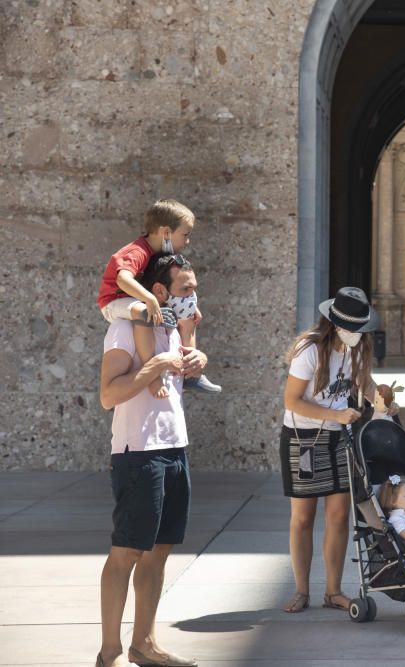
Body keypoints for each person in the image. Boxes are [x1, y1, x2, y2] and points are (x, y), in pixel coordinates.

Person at [97, 254, 207, 667]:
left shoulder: (172, 328)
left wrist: (196, 359)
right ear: (158, 291)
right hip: (137, 454)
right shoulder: (125, 328)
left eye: (194, 288)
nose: (192, 297)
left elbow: (179, 377)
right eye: (184, 289)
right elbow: (108, 395)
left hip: (174, 448)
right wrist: (154, 367)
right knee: (125, 551)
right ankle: (109, 652)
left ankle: (144, 644)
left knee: (159, 551)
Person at [280, 287, 379, 613]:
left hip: (340, 438)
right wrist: (334, 414)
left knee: (339, 516)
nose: (355, 334)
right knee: (303, 518)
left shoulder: (359, 348)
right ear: (334, 323)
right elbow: (292, 400)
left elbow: (366, 384)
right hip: (303, 438)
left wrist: (383, 401)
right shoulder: (308, 349)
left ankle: (333, 591)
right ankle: (301, 589)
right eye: (350, 328)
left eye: (359, 328)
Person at [96, 199, 220, 397]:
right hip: (113, 302)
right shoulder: (137, 251)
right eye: (185, 235)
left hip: (132, 300)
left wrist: (189, 305)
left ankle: (190, 374)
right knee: (144, 312)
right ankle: (152, 375)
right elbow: (122, 279)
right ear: (166, 233)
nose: (187, 241)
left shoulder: (155, 253)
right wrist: (149, 300)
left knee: (187, 313)